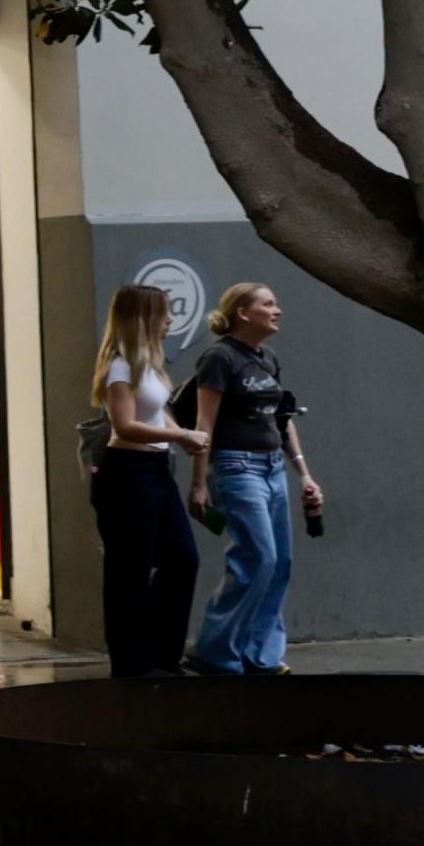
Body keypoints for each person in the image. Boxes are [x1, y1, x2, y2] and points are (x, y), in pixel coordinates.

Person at [180, 282, 322, 677]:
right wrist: (200, 481)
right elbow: (203, 423)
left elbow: (281, 418)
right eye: (268, 303)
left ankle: (261, 655)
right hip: (235, 467)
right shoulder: (219, 358)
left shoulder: (268, 358)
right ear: (243, 313)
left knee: (281, 563)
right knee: (258, 557)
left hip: (273, 466)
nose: (278, 310)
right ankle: (214, 651)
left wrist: (305, 475)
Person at [86, 281, 206, 676]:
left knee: (182, 559)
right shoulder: (121, 366)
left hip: (156, 471)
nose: (172, 319)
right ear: (143, 318)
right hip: (129, 474)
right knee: (130, 570)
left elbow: (156, 414)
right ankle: (131, 660)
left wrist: (177, 434)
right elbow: (125, 425)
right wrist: (181, 435)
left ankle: (161, 652)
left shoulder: (149, 365)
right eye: (164, 312)